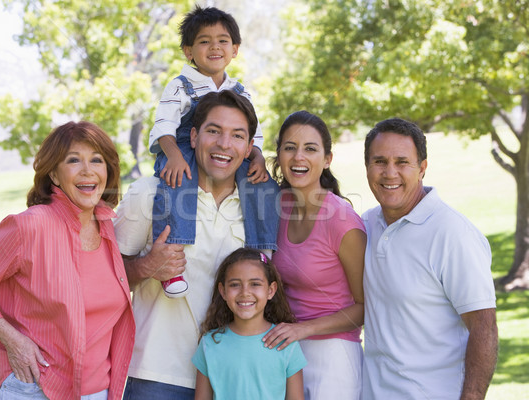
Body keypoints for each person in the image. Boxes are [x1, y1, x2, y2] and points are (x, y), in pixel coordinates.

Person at [0, 121, 136, 400]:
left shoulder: (108, 226)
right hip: (36, 388)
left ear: (108, 172)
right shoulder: (28, 226)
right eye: (74, 160)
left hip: (101, 391)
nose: (88, 170)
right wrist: (13, 341)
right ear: (54, 175)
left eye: (97, 160)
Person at [114, 90, 279, 400]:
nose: (224, 144)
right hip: (157, 375)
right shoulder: (150, 193)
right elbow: (100, 274)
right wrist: (146, 266)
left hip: (233, 379)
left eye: (237, 136)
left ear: (248, 148)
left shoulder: (261, 210)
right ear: (193, 136)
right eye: (214, 131)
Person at [362, 118, 498, 399]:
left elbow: (484, 327)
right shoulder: (365, 226)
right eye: (380, 161)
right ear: (367, 168)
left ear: (422, 168)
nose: (390, 173)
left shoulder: (453, 233)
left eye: (402, 162)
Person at [149, 5, 277, 297]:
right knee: (177, 184)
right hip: (181, 149)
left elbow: (252, 134)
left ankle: (261, 253)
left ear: (235, 49)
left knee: (264, 185)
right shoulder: (180, 86)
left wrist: (256, 156)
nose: (214, 46)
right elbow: (163, 128)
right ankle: (172, 265)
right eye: (204, 41)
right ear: (188, 51)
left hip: (229, 152)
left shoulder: (240, 90)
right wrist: (175, 157)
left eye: (222, 40)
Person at [262, 111, 366, 399]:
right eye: (290, 148)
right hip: (286, 352)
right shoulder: (276, 205)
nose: (299, 158)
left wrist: (304, 329)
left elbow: (364, 307)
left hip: (334, 357)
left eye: (310, 149)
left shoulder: (342, 220)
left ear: (327, 159)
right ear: (279, 154)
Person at [192, 247, 306, 400]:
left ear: (271, 290)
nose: (245, 292)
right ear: (223, 291)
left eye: (255, 284)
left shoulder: (286, 343)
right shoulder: (209, 343)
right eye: (234, 284)